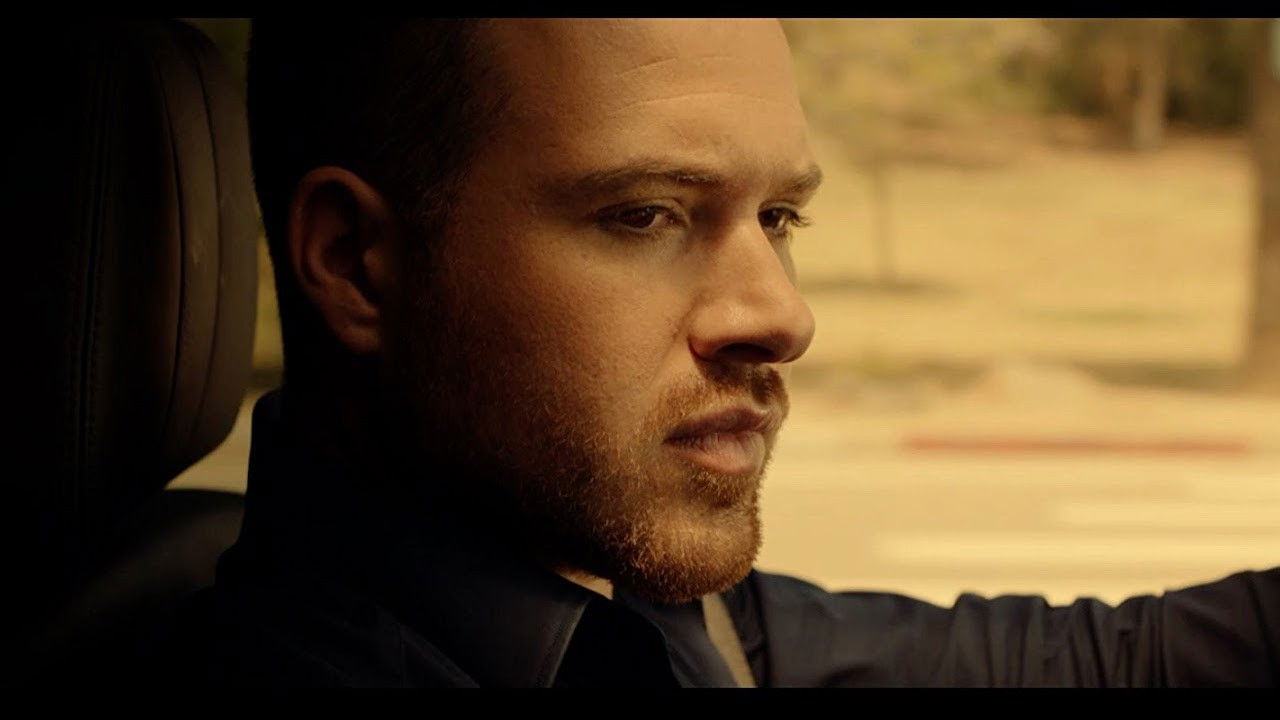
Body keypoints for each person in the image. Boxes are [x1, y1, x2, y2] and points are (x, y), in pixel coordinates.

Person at [172, 18, 1280, 687]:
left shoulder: (648, 614)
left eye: (779, 217)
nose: (782, 316)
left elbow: (1125, 658)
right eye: (645, 214)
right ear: (356, 262)